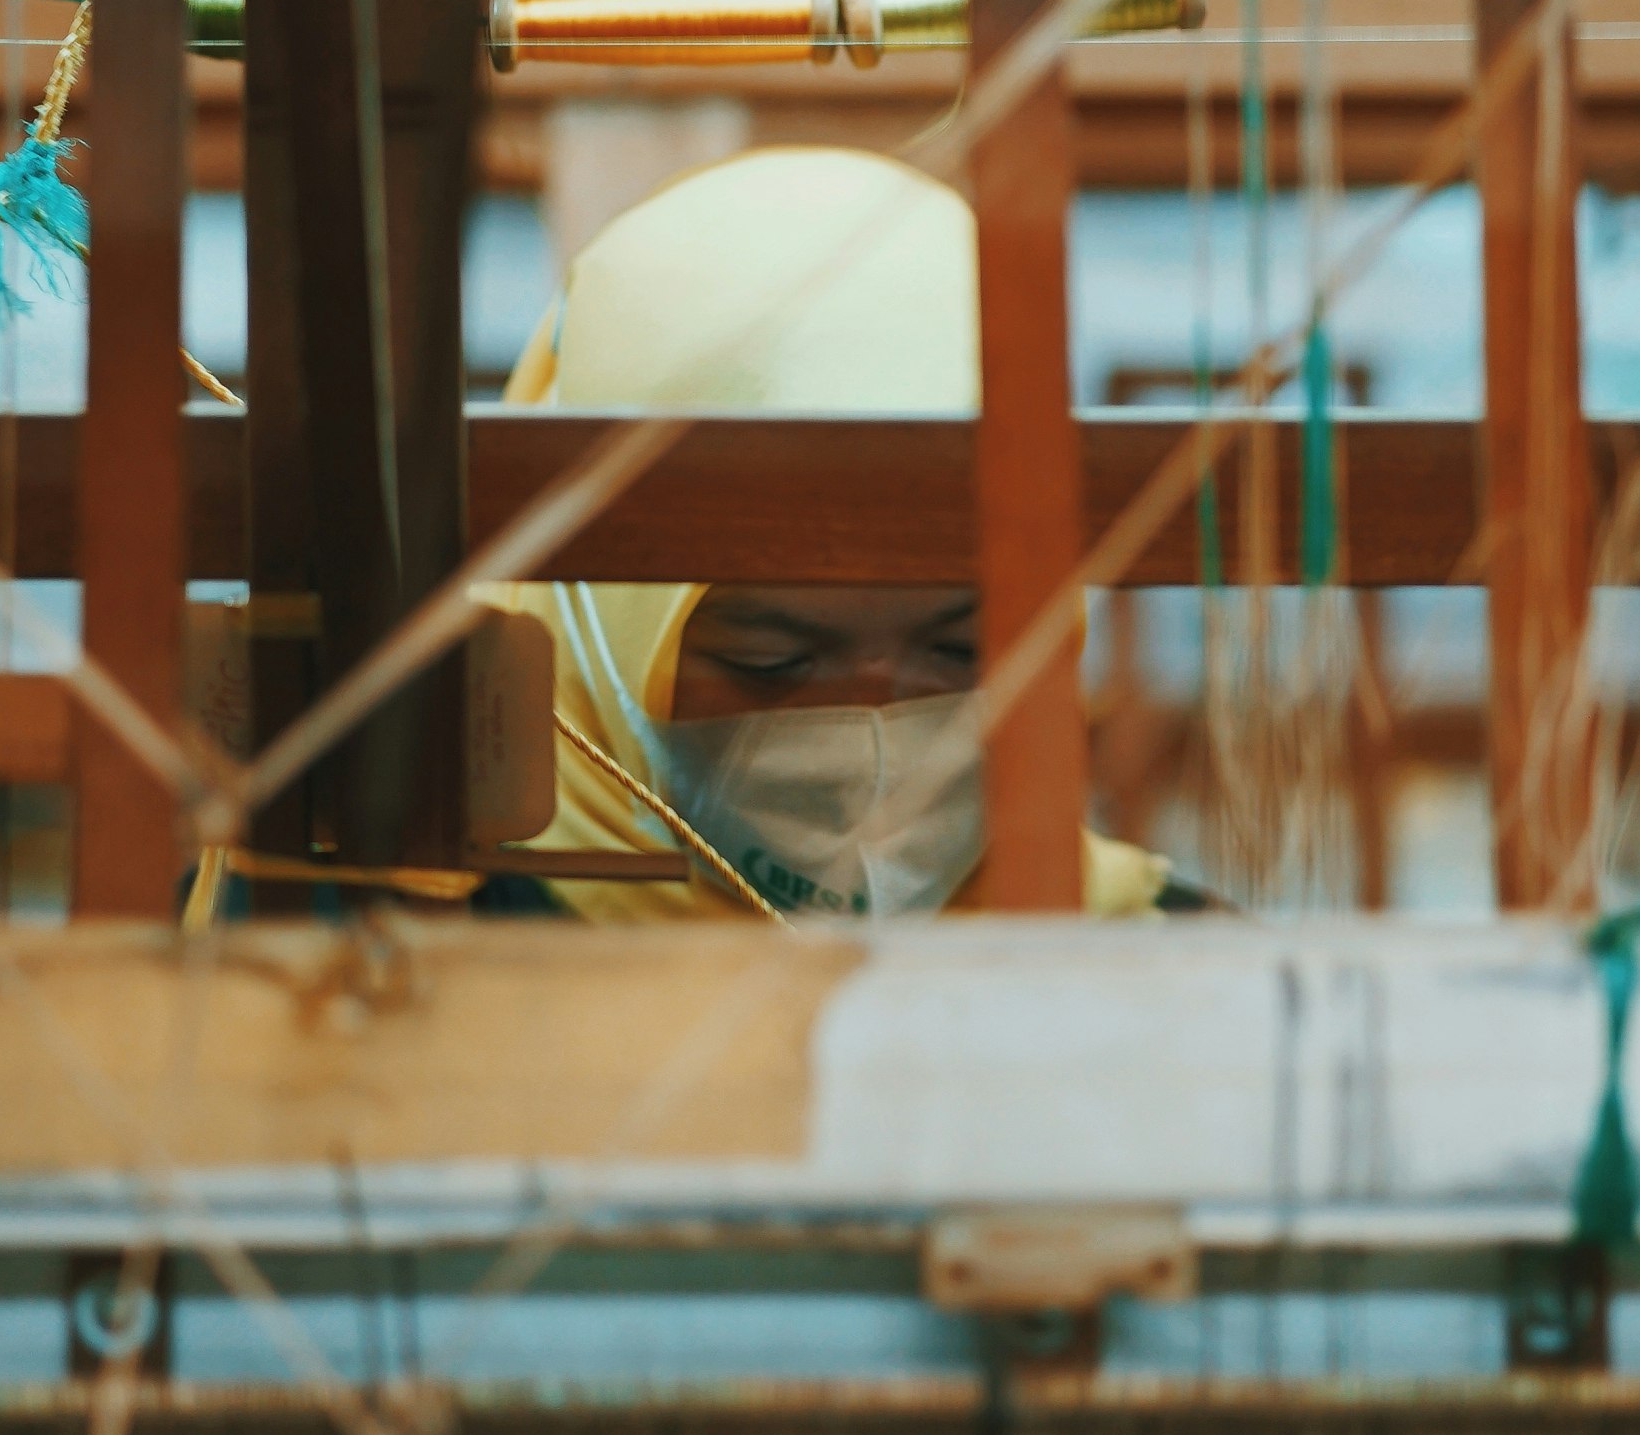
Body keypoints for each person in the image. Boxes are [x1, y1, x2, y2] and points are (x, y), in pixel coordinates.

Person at [499, 146, 1179, 922]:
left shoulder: (1174, 970)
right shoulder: (403, 967)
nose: (875, 734)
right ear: (589, 615)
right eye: (771, 661)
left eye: (962, 650)